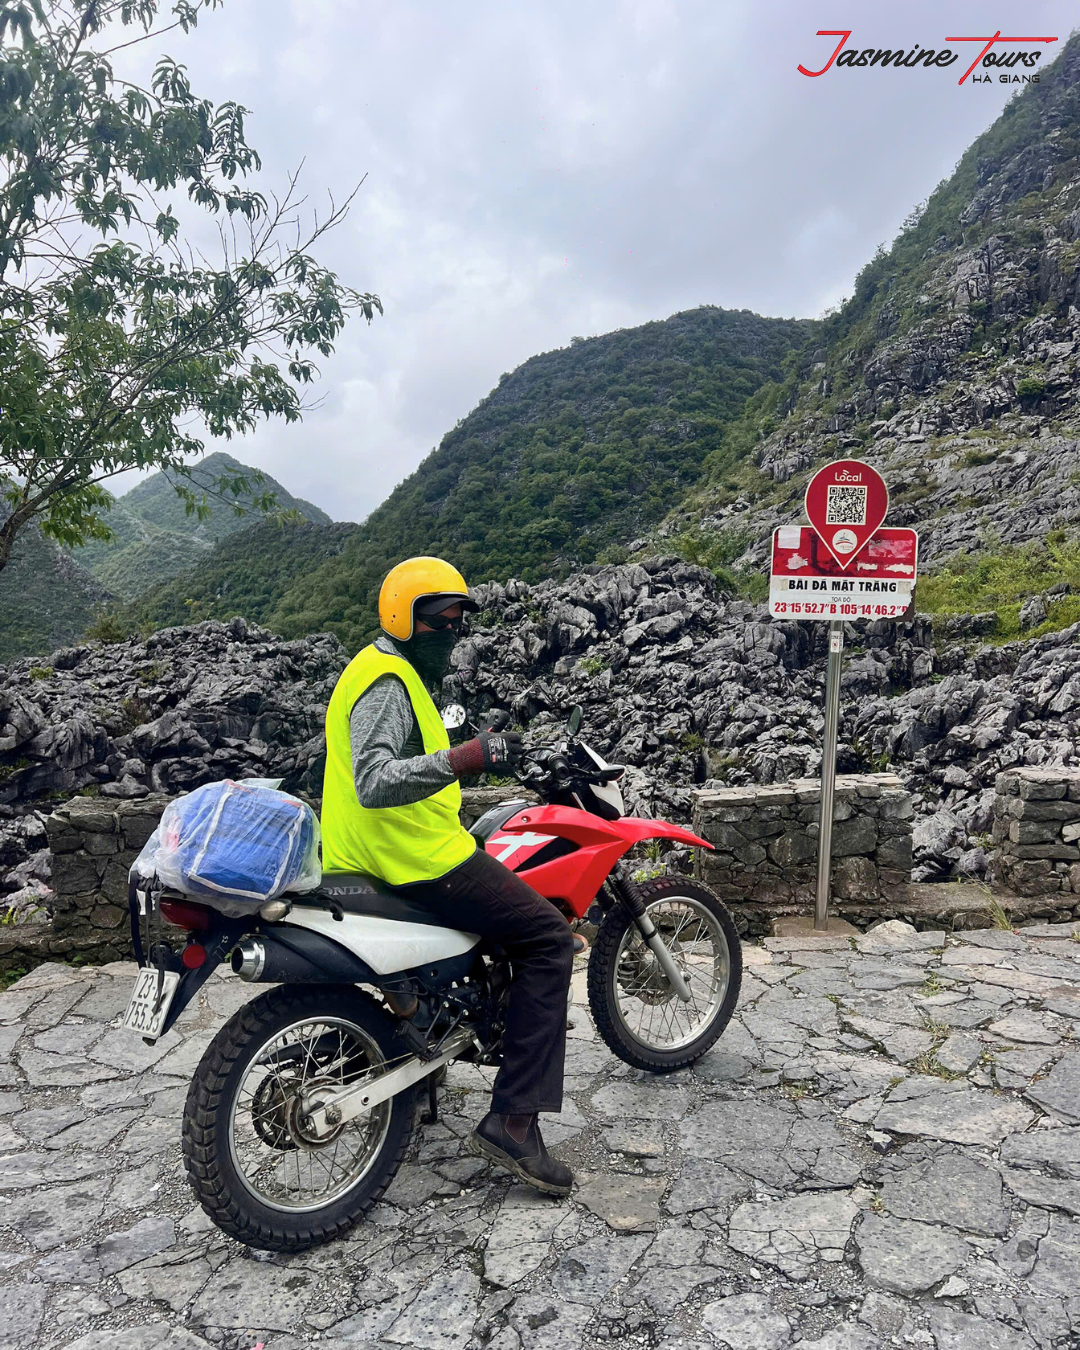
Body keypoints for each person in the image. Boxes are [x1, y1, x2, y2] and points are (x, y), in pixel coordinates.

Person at [320, 556, 575, 1197]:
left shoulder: (386, 669)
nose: (453, 631)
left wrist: (473, 750)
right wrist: (466, 758)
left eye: (460, 620)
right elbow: (374, 780)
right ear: (403, 618)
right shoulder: (387, 681)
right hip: (413, 858)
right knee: (548, 939)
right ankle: (515, 1122)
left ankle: (427, 1047)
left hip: (368, 854)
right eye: (440, 620)